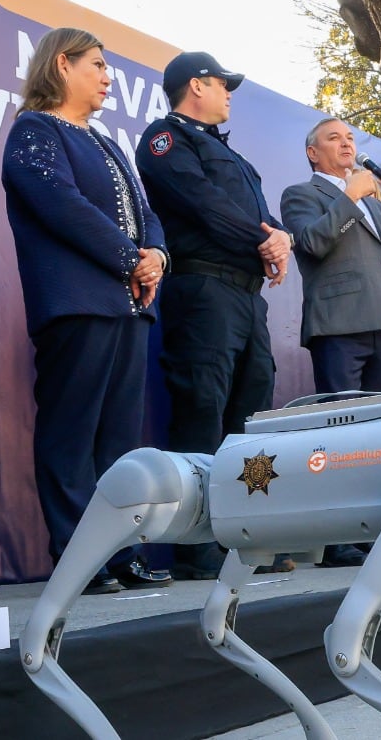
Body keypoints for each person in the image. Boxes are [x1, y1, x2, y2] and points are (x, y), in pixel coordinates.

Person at [2, 28, 174, 595]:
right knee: (72, 433)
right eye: (97, 65)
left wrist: (156, 255)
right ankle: (79, 555)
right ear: (62, 64)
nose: (107, 78)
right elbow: (60, 205)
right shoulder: (35, 129)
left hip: (129, 308)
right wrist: (130, 258)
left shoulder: (105, 140)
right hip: (77, 304)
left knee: (119, 440)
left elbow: (146, 212)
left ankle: (120, 551)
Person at [133, 51, 291, 580]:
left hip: (247, 296)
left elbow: (261, 217)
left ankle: (246, 539)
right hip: (202, 288)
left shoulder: (235, 158)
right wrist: (263, 238)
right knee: (202, 407)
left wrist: (276, 236)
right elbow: (200, 203)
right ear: (195, 85)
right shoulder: (166, 139)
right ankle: (197, 547)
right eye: (224, 84)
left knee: (249, 416)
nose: (230, 94)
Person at [281, 119, 381, 566]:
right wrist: (350, 195)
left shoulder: (376, 200)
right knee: (341, 435)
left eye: (350, 138)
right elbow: (312, 243)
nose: (346, 143)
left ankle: (375, 531)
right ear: (312, 153)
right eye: (334, 138)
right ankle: (337, 537)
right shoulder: (303, 194)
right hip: (340, 328)